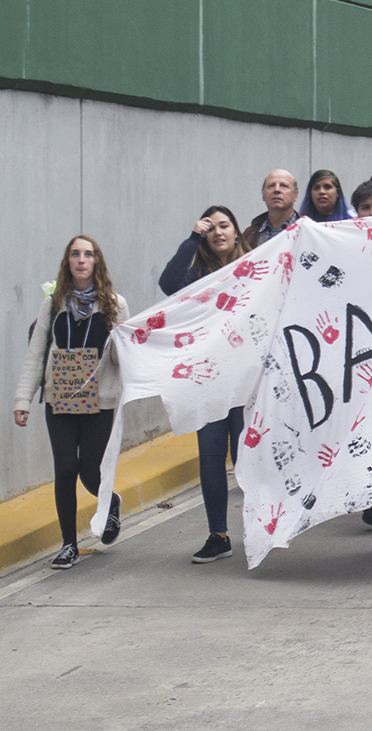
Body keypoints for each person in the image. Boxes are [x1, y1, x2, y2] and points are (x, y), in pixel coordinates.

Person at [13, 236, 130, 570]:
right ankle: (69, 545)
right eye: (75, 254)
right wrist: (22, 399)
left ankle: (111, 503)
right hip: (60, 399)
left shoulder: (114, 304)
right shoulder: (53, 304)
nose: (82, 259)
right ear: (68, 262)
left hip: (99, 402)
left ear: (97, 263)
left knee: (90, 471)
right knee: (65, 468)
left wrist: (119, 333)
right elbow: (36, 353)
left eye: (88, 254)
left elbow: (125, 360)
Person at [158, 207, 249, 563]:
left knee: (248, 458)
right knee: (211, 457)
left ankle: (260, 526)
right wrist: (191, 238)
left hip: (247, 382)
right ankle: (219, 535)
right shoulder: (195, 276)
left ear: (237, 231)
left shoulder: (254, 268)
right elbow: (167, 283)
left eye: (224, 225)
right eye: (210, 227)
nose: (218, 232)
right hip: (209, 381)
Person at [240, 169, 299, 250]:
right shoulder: (250, 234)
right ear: (263, 196)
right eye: (271, 186)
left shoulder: (307, 231)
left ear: (295, 195)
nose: (277, 190)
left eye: (284, 186)